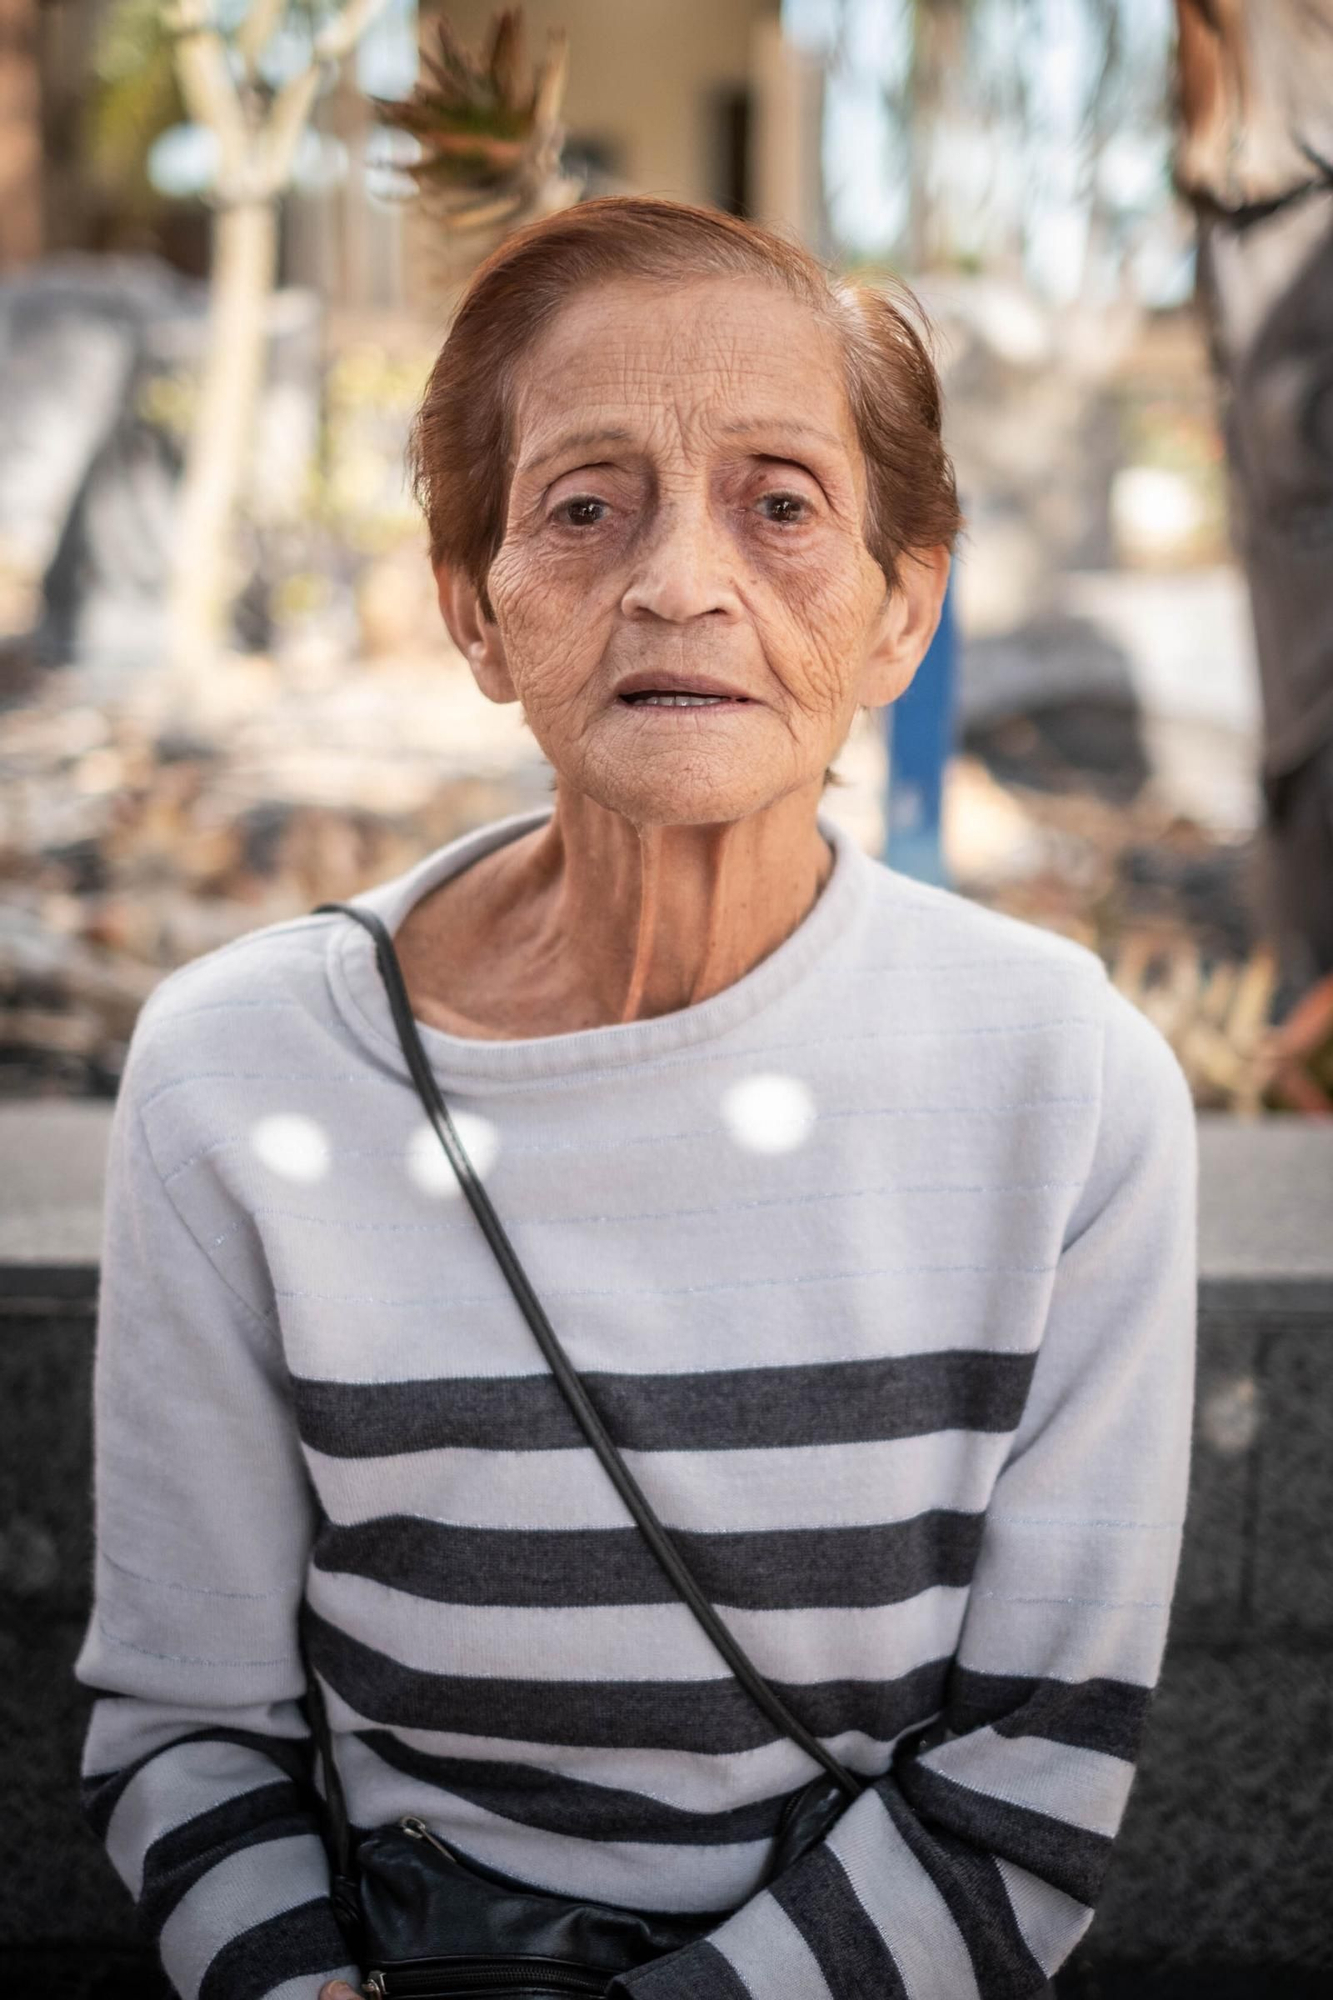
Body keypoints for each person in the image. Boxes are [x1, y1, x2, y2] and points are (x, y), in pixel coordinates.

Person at [75, 197, 1198, 2000]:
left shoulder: (1061, 1086)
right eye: (584, 507)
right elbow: (185, 1731)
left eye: (780, 504)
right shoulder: (240, 1071)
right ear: (474, 607)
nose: (681, 581)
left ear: (901, 610)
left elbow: (1026, 1793)